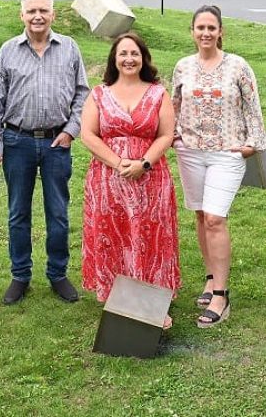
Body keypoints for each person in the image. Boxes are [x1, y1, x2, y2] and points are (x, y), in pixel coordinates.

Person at [0, 0, 90, 305]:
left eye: (43, 10)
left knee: (58, 212)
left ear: (53, 14)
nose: (38, 16)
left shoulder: (69, 49)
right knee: (18, 213)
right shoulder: (7, 51)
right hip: (17, 141)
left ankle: (58, 274)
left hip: (58, 141)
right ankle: (20, 276)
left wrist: (71, 131)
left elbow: (83, 94)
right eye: (31, 11)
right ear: (22, 15)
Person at [171, 5, 266, 328]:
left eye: (212, 28)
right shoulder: (183, 67)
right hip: (191, 151)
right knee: (200, 214)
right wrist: (172, 137)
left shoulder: (237, 66)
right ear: (192, 31)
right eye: (200, 28)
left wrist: (254, 141)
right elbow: (174, 105)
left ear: (221, 31)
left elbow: (252, 105)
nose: (206, 33)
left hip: (227, 152)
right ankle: (211, 278)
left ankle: (222, 295)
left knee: (215, 217)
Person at [80, 33, 180, 328]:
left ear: (143, 58)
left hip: (150, 178)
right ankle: (119, 300)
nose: (128, 59)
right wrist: (118, 162)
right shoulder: (99, 93)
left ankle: (153, 304)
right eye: (123, 54)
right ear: (114, 58)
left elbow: (166, 134)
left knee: (150, 237)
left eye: (134, 53)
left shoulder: (157, 93)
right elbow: (88, 134)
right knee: (114, 236)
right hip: (107, 179)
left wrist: (143, 163)